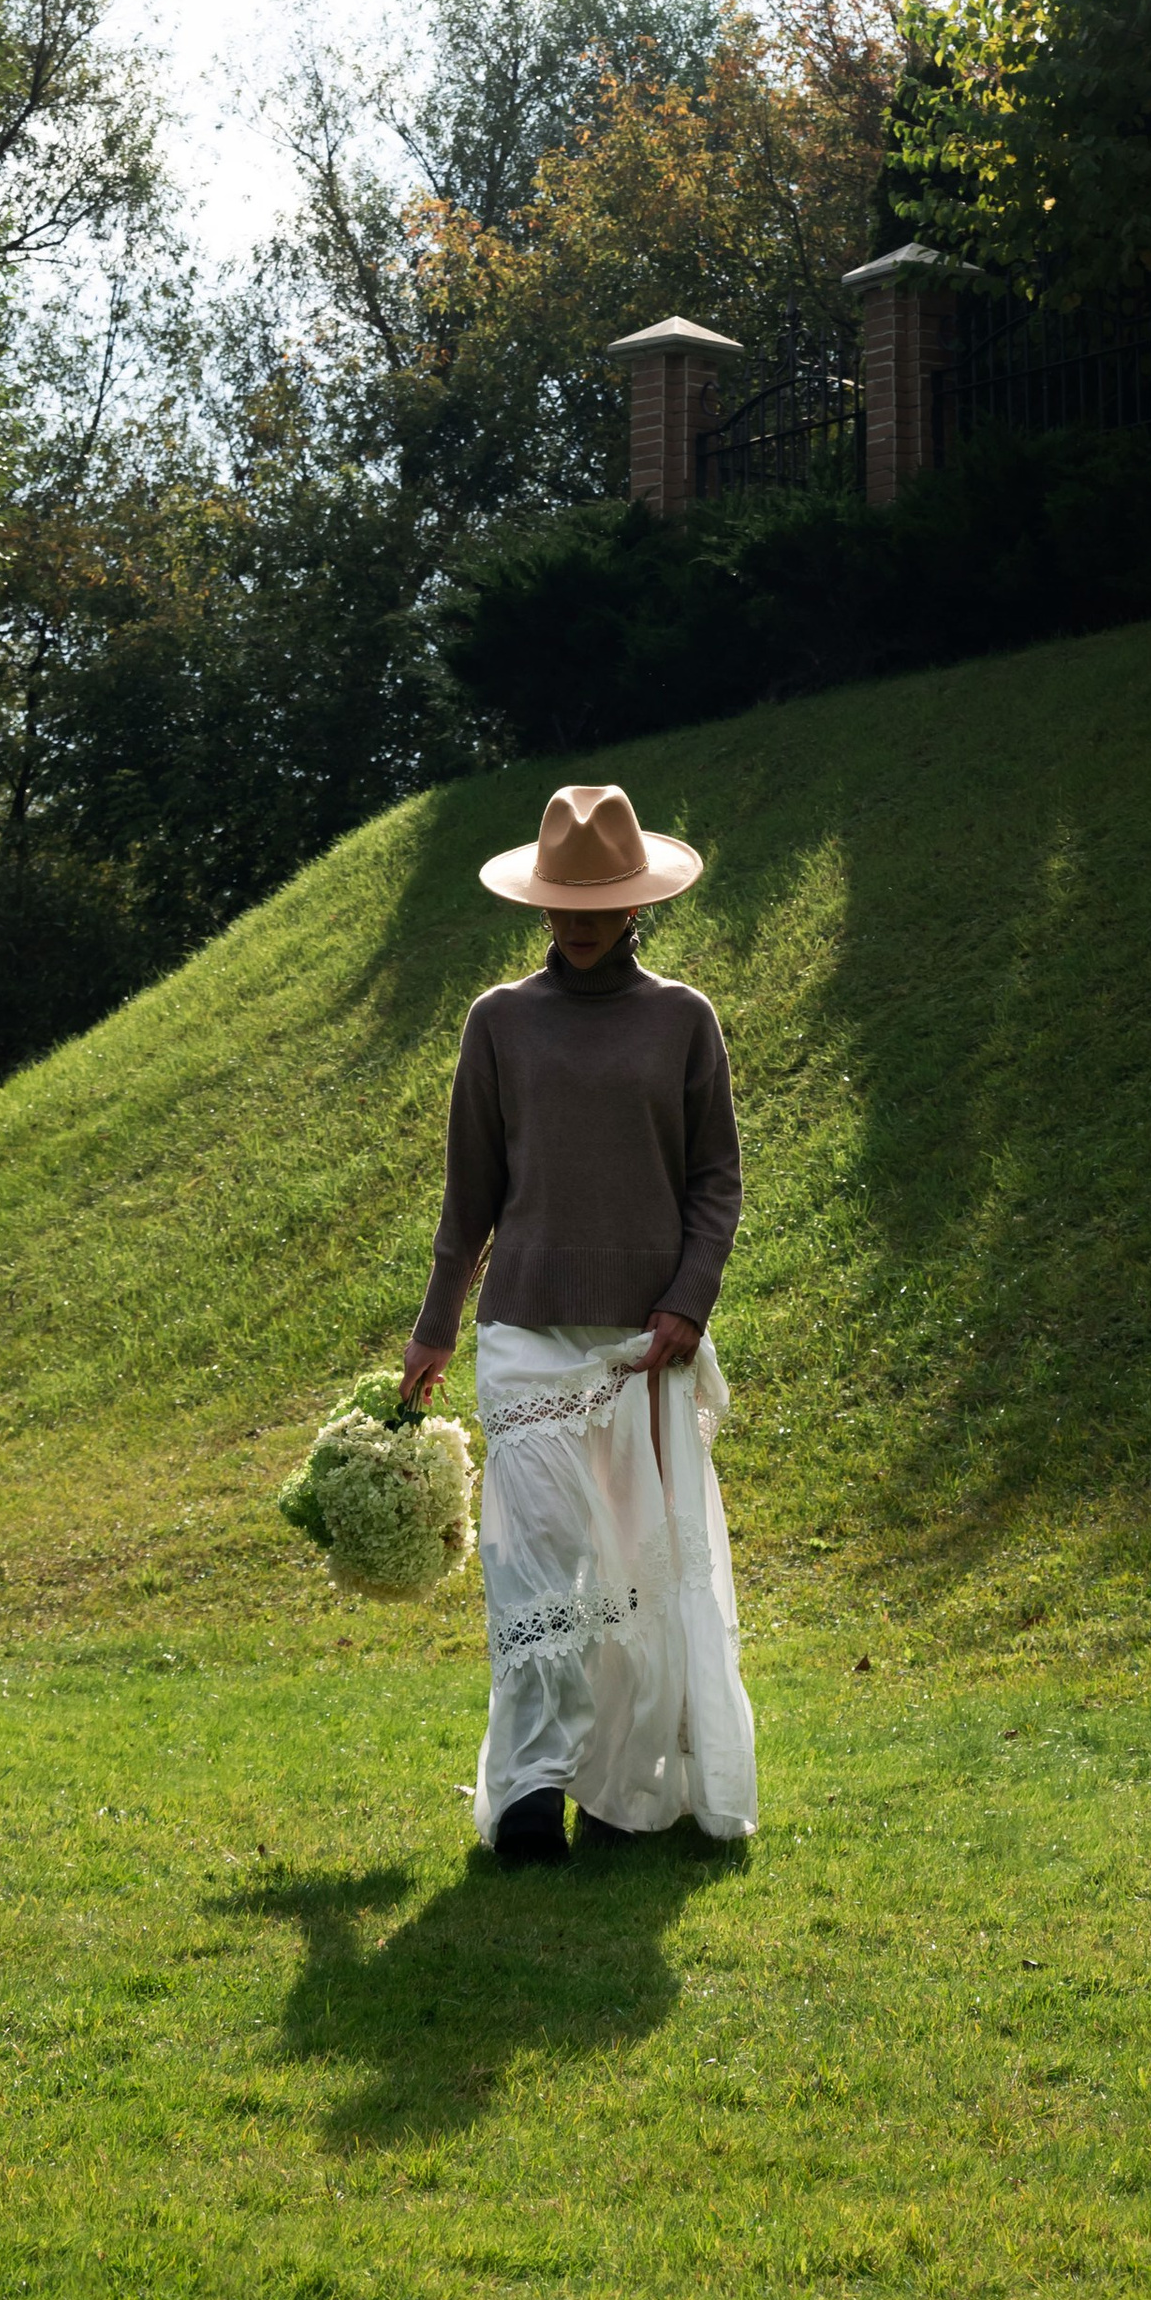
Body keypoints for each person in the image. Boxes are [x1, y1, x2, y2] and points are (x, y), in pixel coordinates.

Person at [402, 780, 758, 1865]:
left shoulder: (682, 1019)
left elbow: (715, 1181)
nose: (577, 918)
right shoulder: (499, 1022)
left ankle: (625, 1791)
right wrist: (434, 1329)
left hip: (644, 1342)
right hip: (525, 1338)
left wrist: (689, 1302)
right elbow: (468, 1196)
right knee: (537, 1571)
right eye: (561, 900)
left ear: (637, 904)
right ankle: (526, 1794)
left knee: (635, 1576)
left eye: (597, 900)